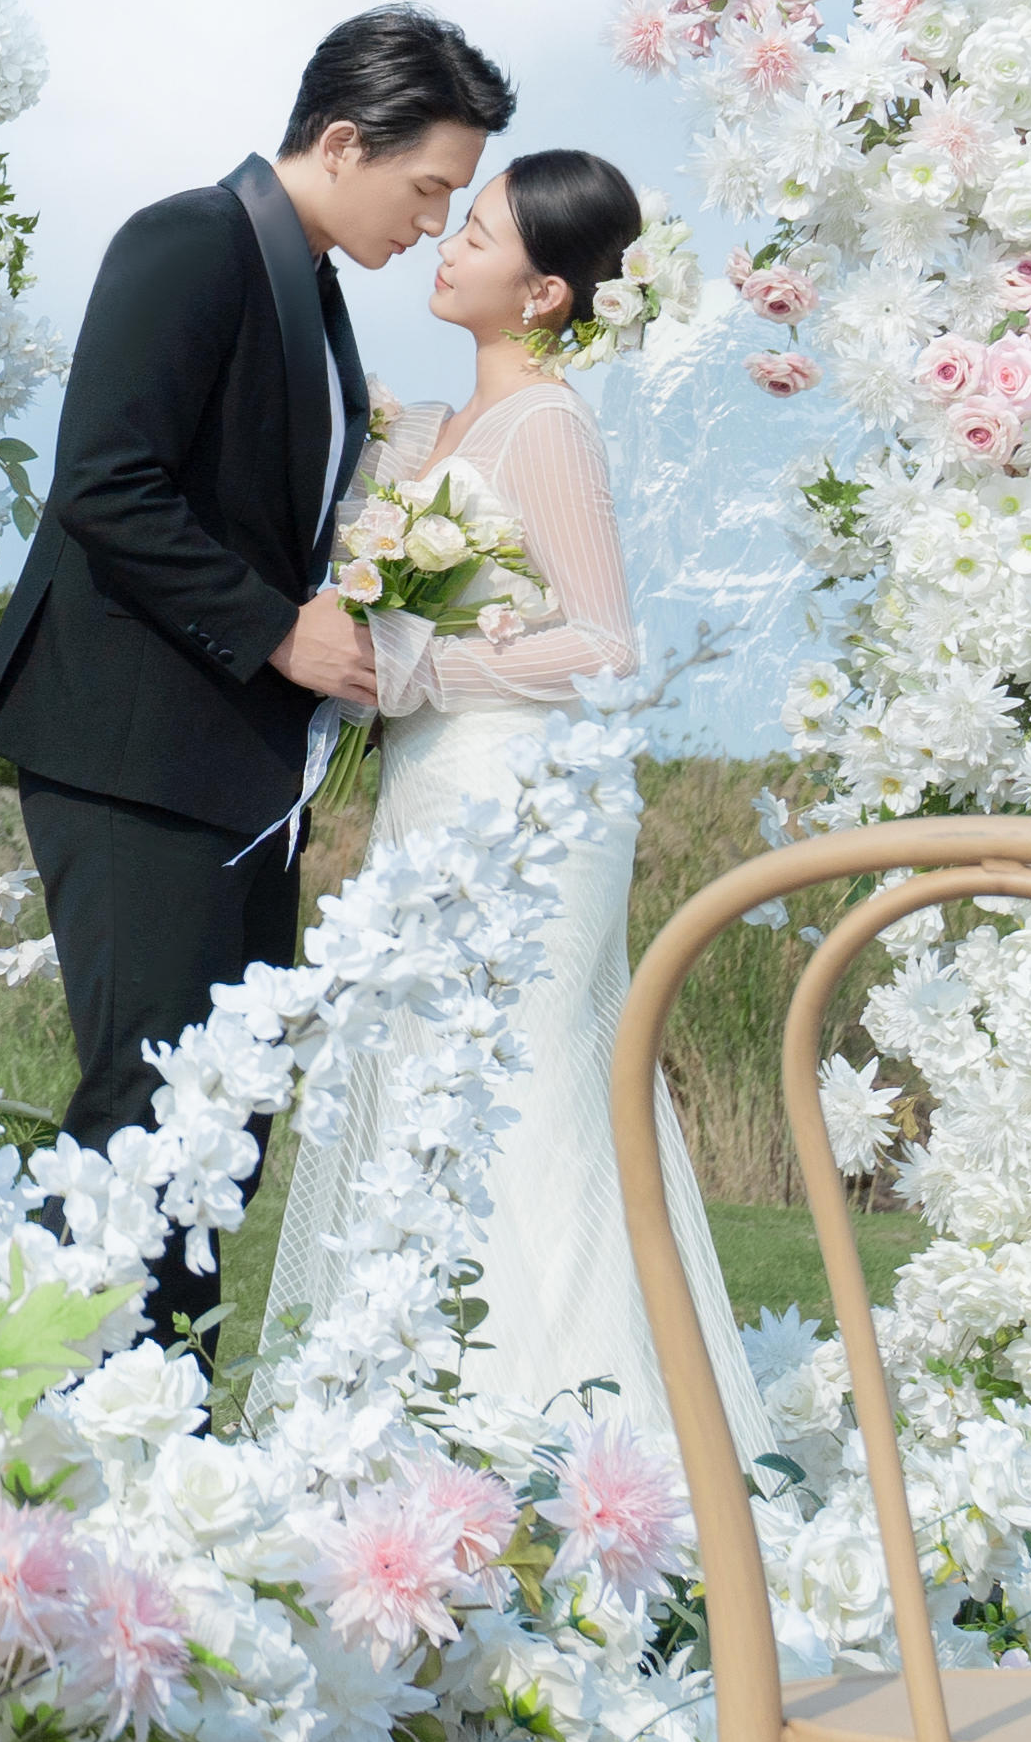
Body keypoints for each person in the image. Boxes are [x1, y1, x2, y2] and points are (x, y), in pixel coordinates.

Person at [0, 8, 509, 1348]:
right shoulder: (188, 240)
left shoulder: (312, 292)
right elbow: (103, 484)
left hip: (231, 769)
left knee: (221, 1120)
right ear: (339, 139)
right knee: (152, 1114)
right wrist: (278, 628)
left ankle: (147, 1435)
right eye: (429, 187)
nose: (435, 225)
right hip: (130, 751)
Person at [257, 150, 767, 1462]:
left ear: (544, 293)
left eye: (476, 233)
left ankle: (604, 1463)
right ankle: (428, 1439)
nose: (449, 244)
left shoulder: (547, 425)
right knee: (429, 1100)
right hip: (438, 793)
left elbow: (606, 645)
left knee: (531, 1104)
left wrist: (430, 662)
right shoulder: (438, 430)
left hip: (530, 810)